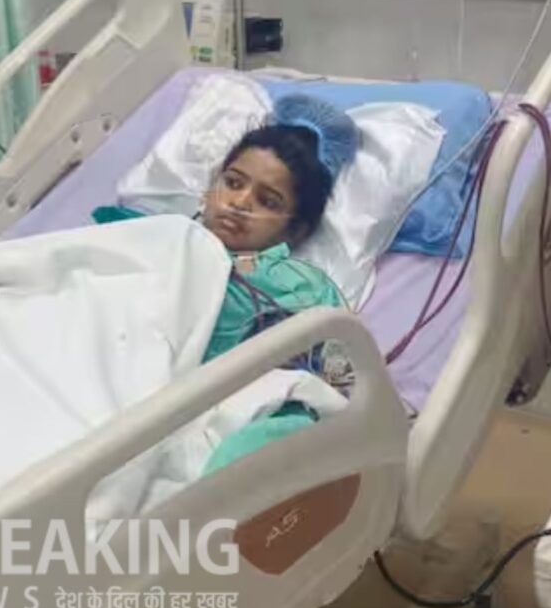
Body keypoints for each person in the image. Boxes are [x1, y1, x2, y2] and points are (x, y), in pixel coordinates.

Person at [92, 94, 361, 472]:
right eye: (233, 183)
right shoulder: (154, 235)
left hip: (213, 414)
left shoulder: (299, 286)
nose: (239, 202)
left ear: (297, 230)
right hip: (112, 378)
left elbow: (342, 370)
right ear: (210, 187)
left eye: (268, 201)